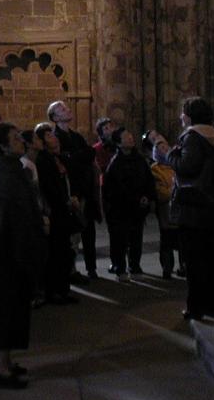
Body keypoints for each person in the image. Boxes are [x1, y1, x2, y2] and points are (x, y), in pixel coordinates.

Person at [0, 122, 45, 389]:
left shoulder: (6, 167)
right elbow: (11, 216)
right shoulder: (6, 172)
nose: (22, 142)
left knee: (13, 310)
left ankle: (6, 361)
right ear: (3, 145)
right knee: (5, 311)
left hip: (7, 252)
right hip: (7, 255)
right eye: (15, 138)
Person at [152, 96, 214, 320]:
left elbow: (186, 166)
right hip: (209, 202)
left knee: (193, 259)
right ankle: (211, 303)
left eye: (183, 112)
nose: (180, 116)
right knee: (209, 257)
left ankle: (196, 307)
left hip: (191, 205)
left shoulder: (193, 137)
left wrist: (166, 154)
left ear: (190, 115)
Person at [49, 100, 101, 280]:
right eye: (62, 109)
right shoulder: (55, 137)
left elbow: (90, 153)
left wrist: (74, 157)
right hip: (72, 190)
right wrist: (77, 158)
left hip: (84, 188)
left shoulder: (75, 136)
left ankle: (91, 267)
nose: (67, 109)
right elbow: (67, 160)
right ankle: (70, 270)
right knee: (73, 234)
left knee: (88, 230)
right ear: (55, 117)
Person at [34, 122, 78, 305]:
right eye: (50, 135)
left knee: (64, 251)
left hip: (64, 210)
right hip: (56, 212)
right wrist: (64, 201)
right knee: (56, 252)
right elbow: (49, 188)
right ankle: (55, 291)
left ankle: (63, 288)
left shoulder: (57, 158)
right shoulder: (43, 161)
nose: (55, 138)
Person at [102, 129, 154, 279]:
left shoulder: (139, 160)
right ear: (119, 142)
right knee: (120, 240)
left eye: (131, 136)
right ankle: (120, 267)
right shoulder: (115, 163)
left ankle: (135, 266)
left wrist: (147, 196)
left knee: (136, 239)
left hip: (137, 208)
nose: (131, 138)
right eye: (126, 137)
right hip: (120, 209)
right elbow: (114, 188)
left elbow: (148, 180)